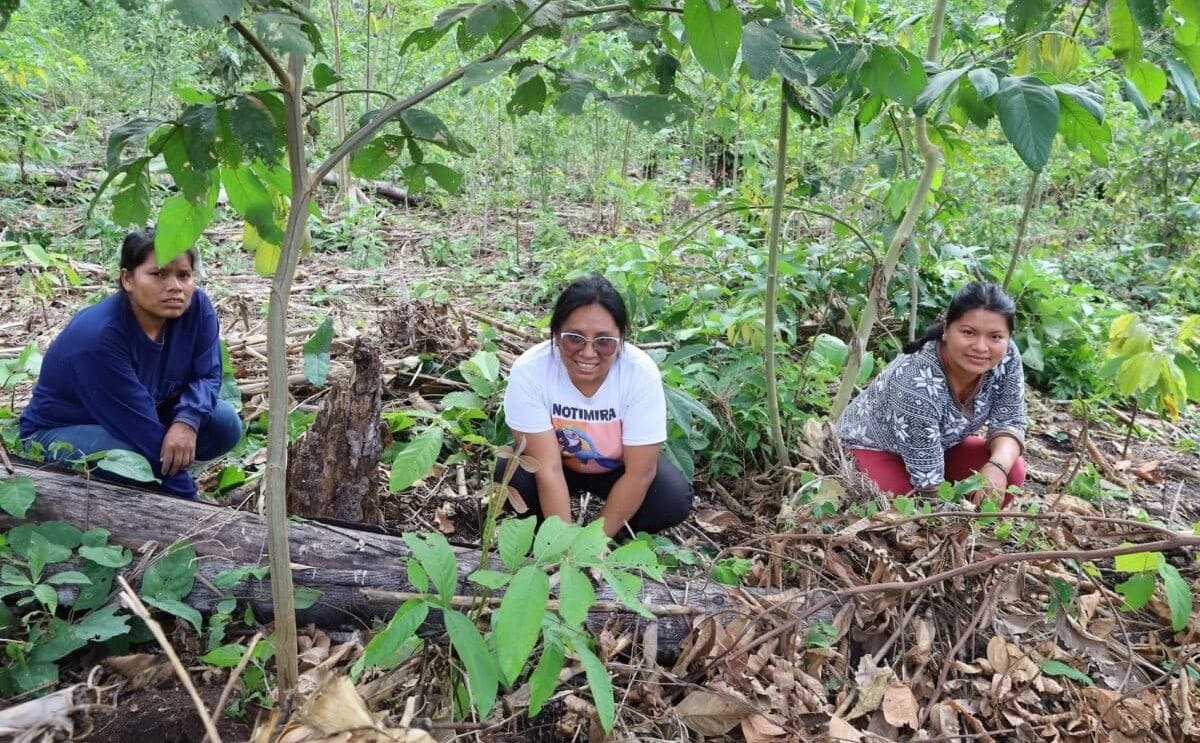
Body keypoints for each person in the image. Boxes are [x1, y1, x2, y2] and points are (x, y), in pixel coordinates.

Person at [20, 228, 242, 499]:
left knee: (224, 423)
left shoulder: (196, 309)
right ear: (127, 279)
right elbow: (141, 430)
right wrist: (195, 507)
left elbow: (208, 375)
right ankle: (159, 487)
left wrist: (187, 421)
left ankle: (161, 478)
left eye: (183, 275)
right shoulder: (98, 336)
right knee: (130, 458)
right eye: (158, 274)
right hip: (61, 430)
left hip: (142, 415)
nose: (175, 286)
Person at [497, 274, 693, 537]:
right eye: (574, 338)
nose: (588, 353)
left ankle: (615, 534)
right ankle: (546, 532)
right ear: (555, 335)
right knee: (510, 473)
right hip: (557, 465)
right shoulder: (531, 371)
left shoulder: (639, 374)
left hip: (617, 468)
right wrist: (563, 544)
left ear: (621, 339)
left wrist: (593, 544)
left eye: (604, 341)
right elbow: (548, 468)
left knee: (671, 499)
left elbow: (639, 473)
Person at [835, 280, 1027, 504]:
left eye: (995, 337)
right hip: (874, 448)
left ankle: (975, 517)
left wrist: (997, 468)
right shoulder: (916, 381)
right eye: (968, 332)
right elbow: (929, 482)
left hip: (941, 447)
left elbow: (1011, 418)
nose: (981, 347)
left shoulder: (1007, 356)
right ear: (946, 330)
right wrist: (944, 516)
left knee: (1010, 471)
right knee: (897, 500)